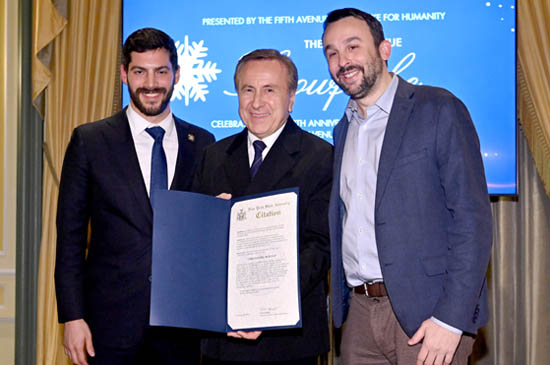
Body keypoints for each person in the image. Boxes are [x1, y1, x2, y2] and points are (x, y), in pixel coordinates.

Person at [322, 8, 493, 365]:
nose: (342, 61)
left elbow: (472, 221)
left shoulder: (438, 108)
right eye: (331, 52)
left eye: (353, 47)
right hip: (359, 317)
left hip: (429, 316)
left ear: (385, 49)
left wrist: (451, 319)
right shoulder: (343, 129)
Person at [55, 28, 214, 365]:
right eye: (140, 71)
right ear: (124, 74)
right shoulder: (90, 141)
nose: (151, 83)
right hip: (107, 328)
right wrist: (72, 317)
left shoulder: (203, 143)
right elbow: (69, 238)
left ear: (177, 75)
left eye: (161, 71)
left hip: (182, 329)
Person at [192, 49, 332, 364]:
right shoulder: (213, 156)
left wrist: (262, 308)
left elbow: (320, 247)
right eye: (248, 90)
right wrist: (207, 225)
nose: (257, 102)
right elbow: (195, 250)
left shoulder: (321, 157)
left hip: (287, 342)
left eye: (270, 90)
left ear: (291, 98)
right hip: (222, 339)